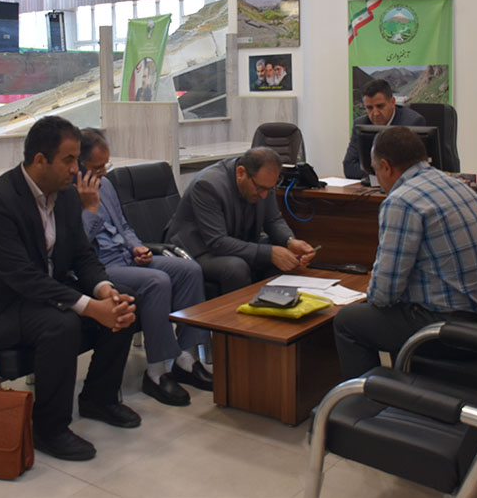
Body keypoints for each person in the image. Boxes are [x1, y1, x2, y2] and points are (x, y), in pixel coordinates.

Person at [0, 116, 141, 462]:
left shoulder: (66, 197)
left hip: (47, 294)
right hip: (2, 305)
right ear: (39, 160)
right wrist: (89, 306)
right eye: (68, 160)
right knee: (62, 324)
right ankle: (49, 428)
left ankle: (99, 399)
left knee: (123, 302)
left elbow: (83, 255)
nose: (76, 169)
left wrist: (104, 291)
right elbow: (22, 277)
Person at [333, 127, 477, 379]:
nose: (376, 178)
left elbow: (384, 293)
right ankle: (401, 382)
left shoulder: (402, 201)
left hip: (448, 331)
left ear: (386, 166)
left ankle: (366, 397)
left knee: (348, 321)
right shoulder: (458, 186)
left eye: (375, 170)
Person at [76, 128, 212, 407]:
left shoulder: (106, 185)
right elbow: (77, 246)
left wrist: (136, 247)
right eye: (96, 168)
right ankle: (157, 371)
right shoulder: (69, 194)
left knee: (190, 270)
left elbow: (123, 226)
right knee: (157, 281)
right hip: (100, 268)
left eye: (105, 165)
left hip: (125, 257)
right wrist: (89, 208)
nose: (103, 173)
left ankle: (186, 358)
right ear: (78, 166)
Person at [166, 147, 317, 295]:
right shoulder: (208, 185)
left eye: (269, 189)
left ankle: (273, 305)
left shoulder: (263, 182)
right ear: (241, 173)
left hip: (233, 242)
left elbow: (273, 220)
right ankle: (236, 312)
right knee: (236, 267)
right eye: (260, 188)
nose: (264, 195)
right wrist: (270, 253)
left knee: (282, 252)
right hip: (196, 250)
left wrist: (289, 241)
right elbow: (217, 242)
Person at [342, 78, 426, 179]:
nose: (375, 113)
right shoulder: (361, 124)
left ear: (392, 102)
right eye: (369, 108)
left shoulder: (411, 123)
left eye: (380, 106)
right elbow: (349, 166)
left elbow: (413, 168)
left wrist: (376, 172)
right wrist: (381, 175)